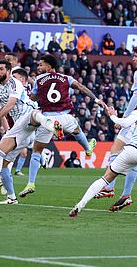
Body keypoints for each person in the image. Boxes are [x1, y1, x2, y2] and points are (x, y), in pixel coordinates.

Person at [0, 61, 60, 202]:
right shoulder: (3, 86)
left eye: (1, 69)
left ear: (8, 71)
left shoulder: (14, 83)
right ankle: (11, 197)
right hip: (23, 129)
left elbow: (10, 104)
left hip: (25, 120)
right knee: (3, 162)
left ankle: (51, 126)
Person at [69, 92, 137, 217]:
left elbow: (122, 123)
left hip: (130, 151)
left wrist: (112, 115)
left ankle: (79, 206)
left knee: (105, 178)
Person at [19, 54, 100, 199]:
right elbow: (81, 87)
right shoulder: (66, 78)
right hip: (64, 116)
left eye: (41, 65)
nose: (38, 67)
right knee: (76, 130)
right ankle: (87, 149)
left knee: (36, 151)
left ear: (49, 67)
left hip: (47, 118)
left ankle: (31, 183)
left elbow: (33, 98)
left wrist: (30, 92)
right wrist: (96, 99)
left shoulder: (38, 80)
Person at [95, 46, 137, 210]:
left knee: (117, 150)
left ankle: (110, 188)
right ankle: (124, 194)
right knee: (128, 154)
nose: (133, 59)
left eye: (136, 56)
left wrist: (125, 116)